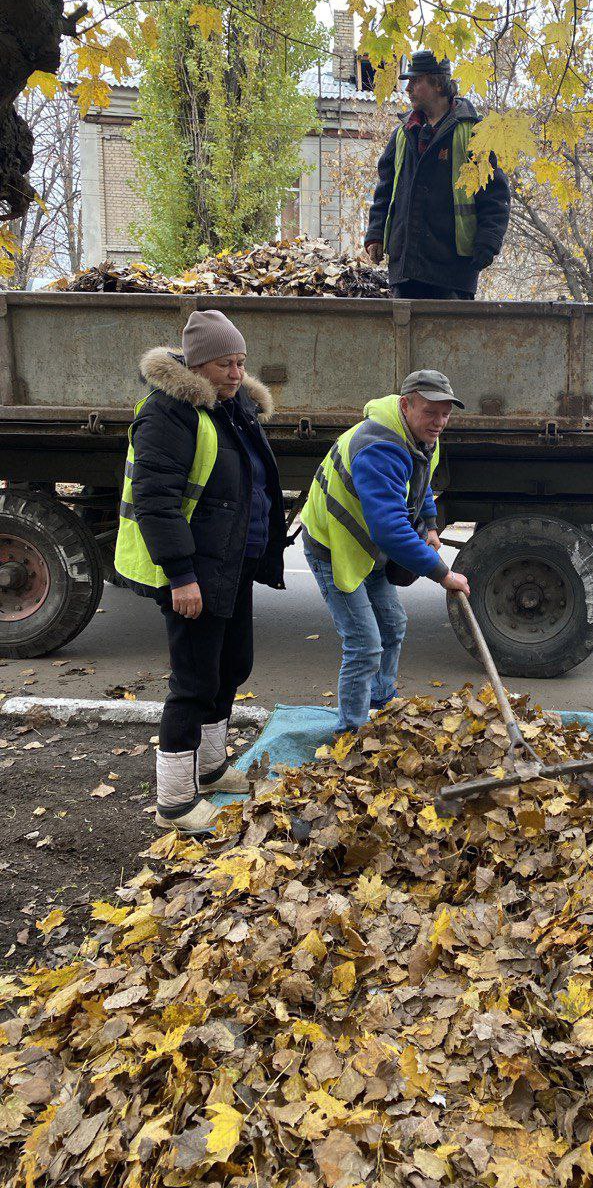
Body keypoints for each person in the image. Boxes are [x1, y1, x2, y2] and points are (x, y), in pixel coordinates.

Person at [114, 311, 286, 833]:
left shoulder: (232, 409)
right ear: (197, 364)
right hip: (194, 573)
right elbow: (157, 501)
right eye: (224, 364)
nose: (236, 373)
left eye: (241, 362)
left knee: (232, 666)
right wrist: (181, 576)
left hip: (230, 566)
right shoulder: (168, 414)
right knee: (192, 682)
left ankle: (209, 771)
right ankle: (175, 802)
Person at [299, 370, 471, 734]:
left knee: (393, 625)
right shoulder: (381, 446)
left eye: (445, 413)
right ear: (406, 405)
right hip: (334, 546)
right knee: (364, 645)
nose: (439, 422)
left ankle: (380, 706)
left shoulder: (421, 437)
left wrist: (431, 523)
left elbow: (420, 480)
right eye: (430, 412)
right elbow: (391, 530)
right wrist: (443, 574)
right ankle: (351, 734)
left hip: (368, 545)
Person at [364, 50, 511, 299]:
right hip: (405, 269)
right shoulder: (402, 134)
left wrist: (488, 242)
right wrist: (375, 234)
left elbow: (494, 195)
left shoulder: (473, 132)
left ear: (438, 85)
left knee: (448, 338)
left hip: (452, 270)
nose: (408, 88)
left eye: (416, 81)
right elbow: (385, 190)